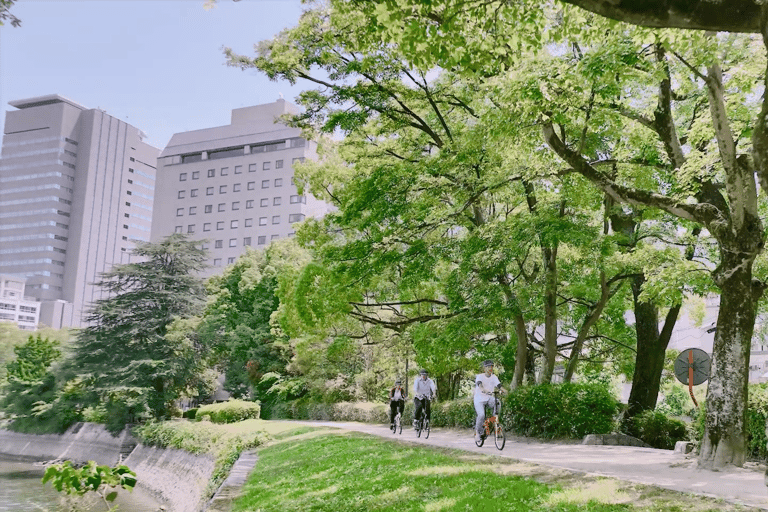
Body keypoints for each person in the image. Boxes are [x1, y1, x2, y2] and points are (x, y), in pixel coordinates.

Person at [474, 359, 503, 443]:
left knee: (497, 403)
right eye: (488, 367)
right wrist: (483, 390)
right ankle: (478, 433)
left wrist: (504, 391)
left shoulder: (494, 377)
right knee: (481, 415)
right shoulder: (480, 376)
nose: (490, 368)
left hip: (489, 398)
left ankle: (495, 422)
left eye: (491, 366)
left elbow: (499, 386)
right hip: (479, 399)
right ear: (485, 368)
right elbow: (479, 385)